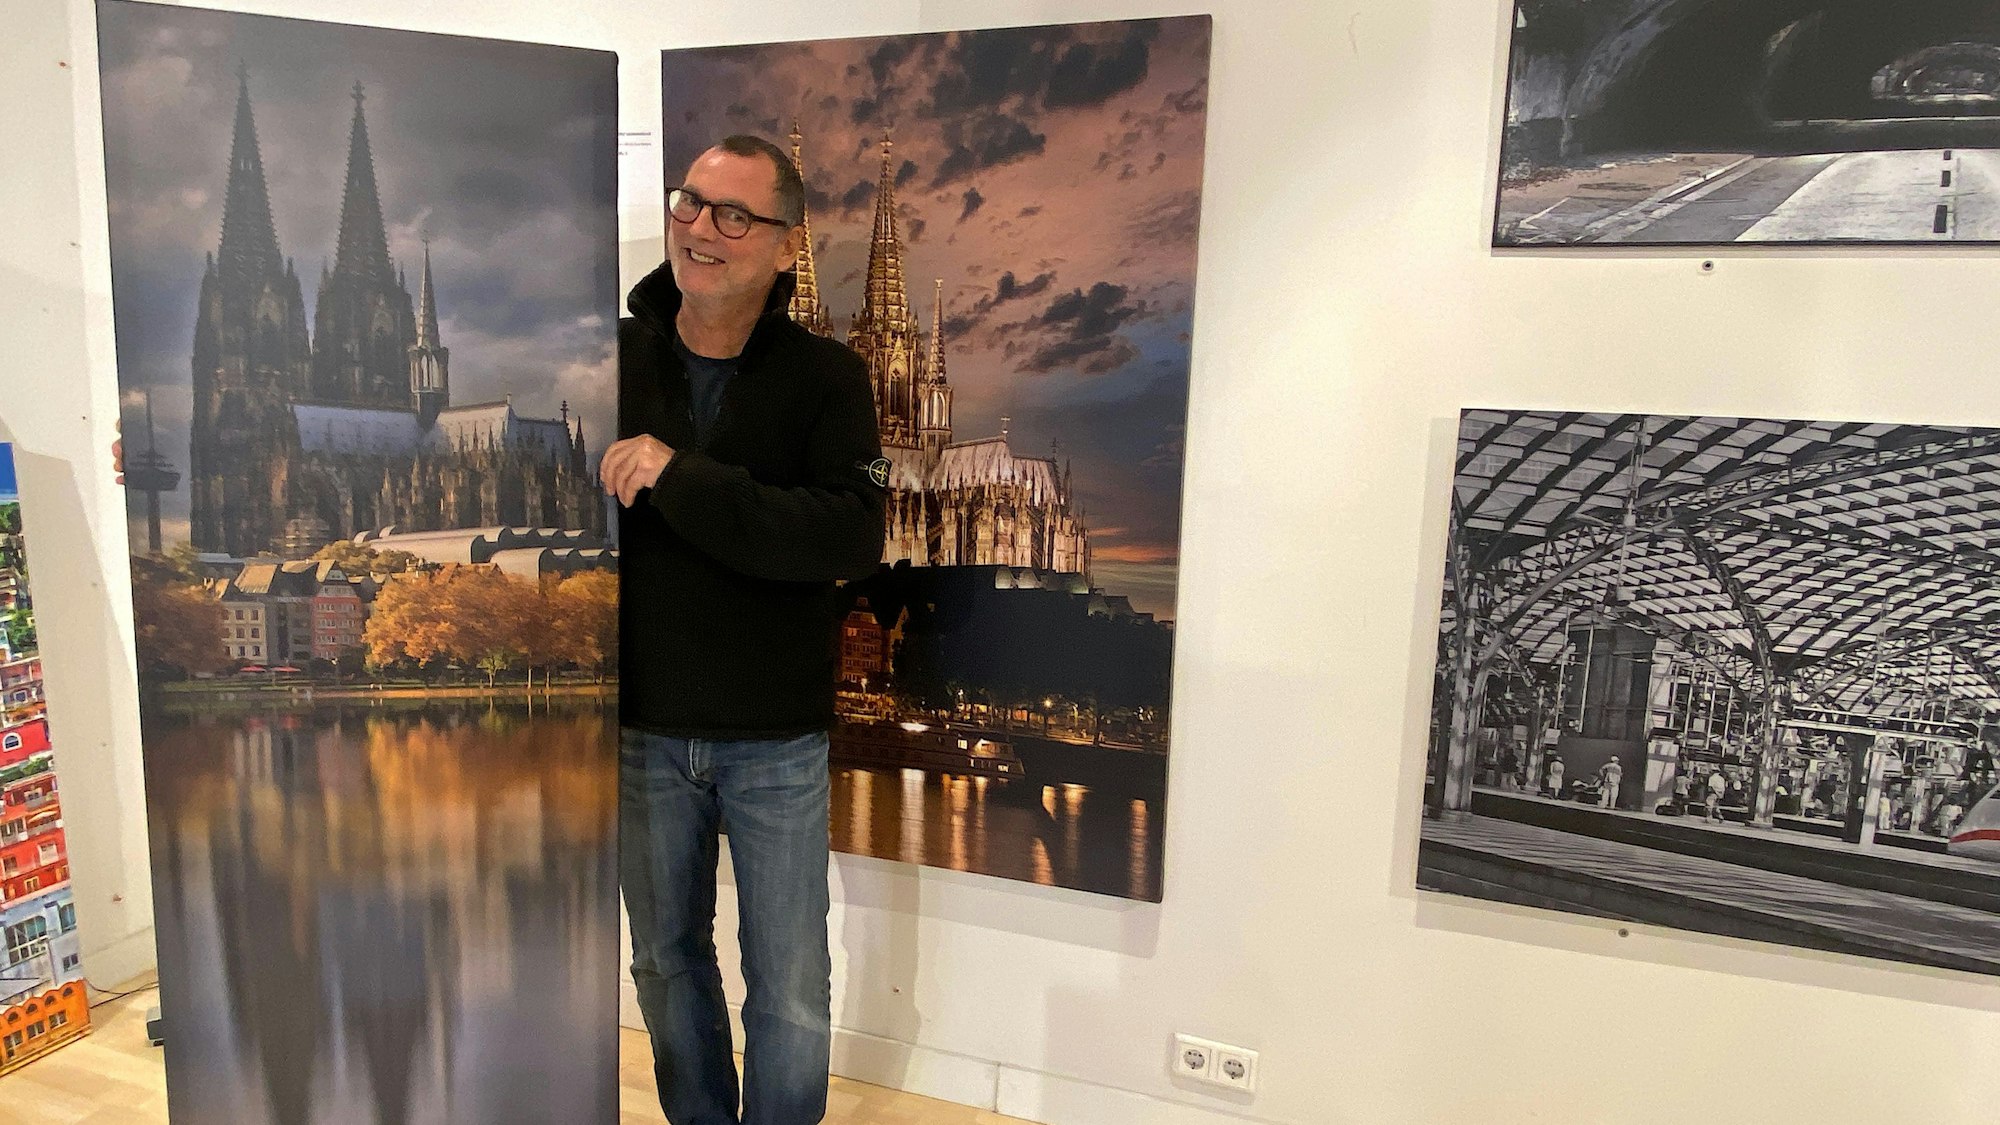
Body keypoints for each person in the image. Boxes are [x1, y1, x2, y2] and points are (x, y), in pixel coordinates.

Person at [602, 134, 886, 1125]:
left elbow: (849, 534)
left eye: (733, 214)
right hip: (641, 731)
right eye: (689, 202)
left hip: (774, 737)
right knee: (663, 963)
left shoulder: (827, 377)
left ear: (784, 244)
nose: (699, 228)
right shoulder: (611, 359)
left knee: (790, 986)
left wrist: (680, 477)